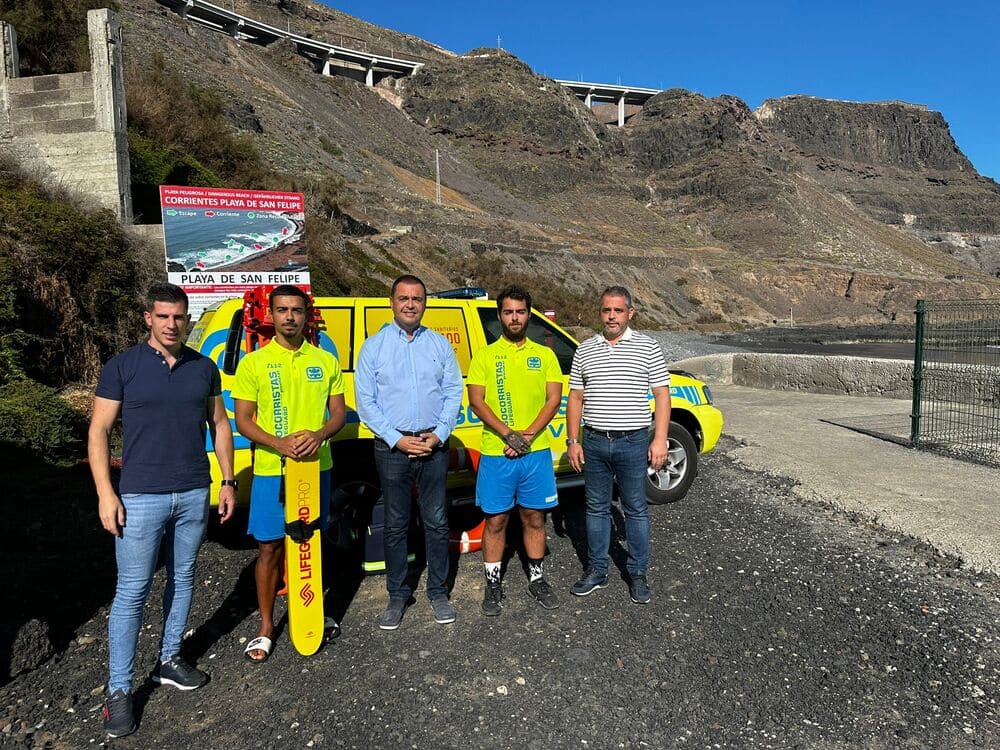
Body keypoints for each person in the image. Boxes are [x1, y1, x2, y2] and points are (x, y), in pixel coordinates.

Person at [89, 283, 237, 738]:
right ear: (148, 318)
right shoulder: (123, 367)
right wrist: (105, 494)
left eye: (180, 317)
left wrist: (227, 480)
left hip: (194, 491)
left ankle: (169, 659)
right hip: (140, 495)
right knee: (132, 592)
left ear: (188, 319)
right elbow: (98, 432)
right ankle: (118, 691)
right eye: (164, 316)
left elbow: (219, 423)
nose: (173, 324)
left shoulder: (204, 367)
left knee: (185, 576)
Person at [232, 285, 346, 662]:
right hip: (271, 469)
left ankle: (309, 612)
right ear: (271, 314)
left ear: (307, 314)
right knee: (269, 547)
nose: (290, 317)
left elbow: (339, 416)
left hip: (316, 468)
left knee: (312, 542)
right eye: (282, 310)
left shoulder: (325, 360)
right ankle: (266, 627)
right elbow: (244, 421)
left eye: (297, 310)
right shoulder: (254, 363)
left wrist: (319, 435)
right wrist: (277, 443)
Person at [355, 274, 463, 630]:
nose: (410, 304)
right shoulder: (373, 347)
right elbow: (366, 403)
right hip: (392, 448)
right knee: (396, 524)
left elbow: (453, 392)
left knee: (436, 521)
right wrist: (396, 439)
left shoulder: (439, 345)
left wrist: (439, 434)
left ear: (425, 303)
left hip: (434, 445)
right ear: (392, 302)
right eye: (404, 298)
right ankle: (398, 594)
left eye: (417, 298)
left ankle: (438, 592)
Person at [565, 286, 671, 604]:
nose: (611, 316)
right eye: (606, 310)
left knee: (635, 509)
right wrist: (573, 440)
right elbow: (575, 397)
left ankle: (637, 574)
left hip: (633, 441)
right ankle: (597, 571)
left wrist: (660, 439)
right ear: (601, 312)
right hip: (595, 441)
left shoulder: (648, 347)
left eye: (618, 310)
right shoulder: (584, 350)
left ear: (630, 313)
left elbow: (662, 395)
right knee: (596, 508)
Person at [466, 286, 564, 615]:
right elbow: (476, 401)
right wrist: (509, 435)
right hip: (497, 452)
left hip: (535, 453)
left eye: (520, 312)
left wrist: (528, 435)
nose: (514, 317)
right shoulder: (485, 356)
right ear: (499, 316)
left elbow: (553, 399)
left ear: (529, 314)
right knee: (495, 521)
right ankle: (493, 583)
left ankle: (536, 578)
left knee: (535, 517)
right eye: (508, 312)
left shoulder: (545, 355)